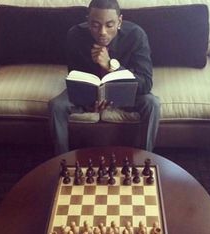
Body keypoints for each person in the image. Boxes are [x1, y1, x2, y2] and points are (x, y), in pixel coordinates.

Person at [48, 0, 160, 155]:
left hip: (126, 93)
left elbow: (146, 83)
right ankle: (61, 160)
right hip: (90, 96)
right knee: (56, 106)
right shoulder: (75, 35)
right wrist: (89, 101)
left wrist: (111, 65)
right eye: (95, 25)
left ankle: (145, 157)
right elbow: (75, 77)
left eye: (109, 25)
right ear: (87, 21)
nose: (102, 32)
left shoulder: (136, 35)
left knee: (152, 103)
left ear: (119, 21)